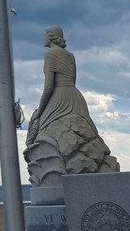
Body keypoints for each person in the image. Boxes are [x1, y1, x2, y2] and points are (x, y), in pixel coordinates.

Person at [24, 26, 119, 183]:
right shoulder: (70, 56)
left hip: (59, 97)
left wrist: (40, 111)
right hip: (75, 95)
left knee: (43, 132)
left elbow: (48, 87)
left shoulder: (51, 55)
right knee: (88, 128)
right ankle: (101, 152)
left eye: (45, 34)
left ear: (51, 37)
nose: (44, 38)